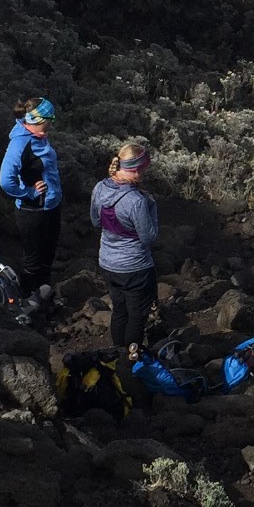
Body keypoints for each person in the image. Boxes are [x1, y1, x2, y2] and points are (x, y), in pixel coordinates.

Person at [90, 139, 159, 359]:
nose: (145, 174)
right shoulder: (136, 201)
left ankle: (117, 354)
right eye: (143, 170)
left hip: (108, 263)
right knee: (137, 315)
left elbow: (95, 222)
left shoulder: (100, 188)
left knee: (119, 309)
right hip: (134, 267)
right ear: (136, 170)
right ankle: (131, 357)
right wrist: (153, 210)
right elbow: (149, 237)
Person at [0, 96, 62, 308]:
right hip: (32, 211)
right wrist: (28, 193)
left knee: (47, 255)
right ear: (34, 120)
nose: (49, 127)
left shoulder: (38, 136)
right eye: (47, 123)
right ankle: (28, 301)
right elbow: (5, 180)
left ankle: (45, 295)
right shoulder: (20, 142)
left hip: (51, 206)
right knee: (33, 260)